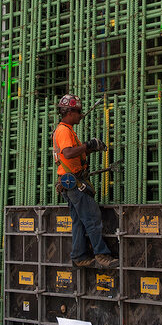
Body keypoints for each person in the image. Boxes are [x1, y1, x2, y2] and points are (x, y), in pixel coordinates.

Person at [53, 94, 118, 270]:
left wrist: (91, 148)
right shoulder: (64, 130)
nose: (81, 115)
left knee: (79, 221)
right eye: (79, 112)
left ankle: (79, 256)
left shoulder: (66, 129)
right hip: (74, 183)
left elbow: (73, 153)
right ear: (70, 112)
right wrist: (89, 144)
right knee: (92, 218)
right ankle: (101, 254)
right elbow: (68, 153)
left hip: (70, 183)